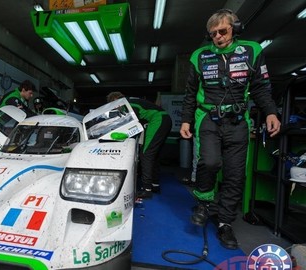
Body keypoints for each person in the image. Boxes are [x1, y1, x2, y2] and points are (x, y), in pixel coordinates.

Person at [179, 9, 281, 250]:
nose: (218, 37)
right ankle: (204, 203)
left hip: (238, 121)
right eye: (213, 33)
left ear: (235, 28)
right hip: (207, 118)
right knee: (210, 162)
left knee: (235, 174)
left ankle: (225, 222)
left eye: (222, 31)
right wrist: (186, 120)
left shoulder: (251, 51)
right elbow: (190, 93)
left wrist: (271, 112)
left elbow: (261, 88)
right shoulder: (199, 56)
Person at [107, 91, 172, 199]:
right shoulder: (132, 102)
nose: (114, 109)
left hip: (158, 120)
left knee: (146, 154)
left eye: (113, 105)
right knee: (153, 154)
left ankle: (147, 189)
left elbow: (132, 127)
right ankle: (154, 184)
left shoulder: (129, 105)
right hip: (164, 119)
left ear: (116, 101)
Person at [0, 80, 36, 151]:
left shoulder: (24, 100)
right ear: (23, 90)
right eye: (30, 93)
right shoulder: (13, 97)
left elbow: (28, 111)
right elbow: (23, 112)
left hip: (2, 125)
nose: (31, 96)